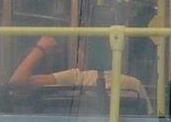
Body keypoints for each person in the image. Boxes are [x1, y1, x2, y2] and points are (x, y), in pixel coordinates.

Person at [9, 34, 148, 107]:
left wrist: (40, 48)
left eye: (79, 53)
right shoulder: (134, 84)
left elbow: (17, 81)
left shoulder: (76, 77)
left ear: (84, 54)